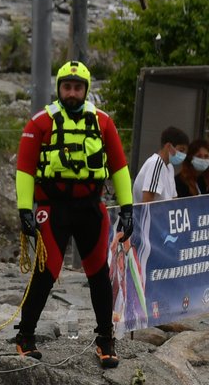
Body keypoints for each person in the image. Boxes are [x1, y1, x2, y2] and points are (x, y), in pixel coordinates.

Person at [13, 60, 134, 368]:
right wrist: (24, 209)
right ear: (59, 89)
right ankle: (25, 336)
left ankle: (105, 340)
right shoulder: (40, 122)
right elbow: (25, 169)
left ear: (86, 90)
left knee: (99, 274)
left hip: (92, 208)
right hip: (53, 209)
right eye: (66, 87)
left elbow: (119, 167)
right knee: (47, 271)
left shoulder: (103, 122)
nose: (72, 92)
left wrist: (128, 207)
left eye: (77, 87)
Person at [133, 125, 188, 204]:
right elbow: (147, 202)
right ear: (168, 146)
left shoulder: (170, 167)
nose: (183, 154)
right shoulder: (156, 164)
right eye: (181, 150)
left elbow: (173, 199)